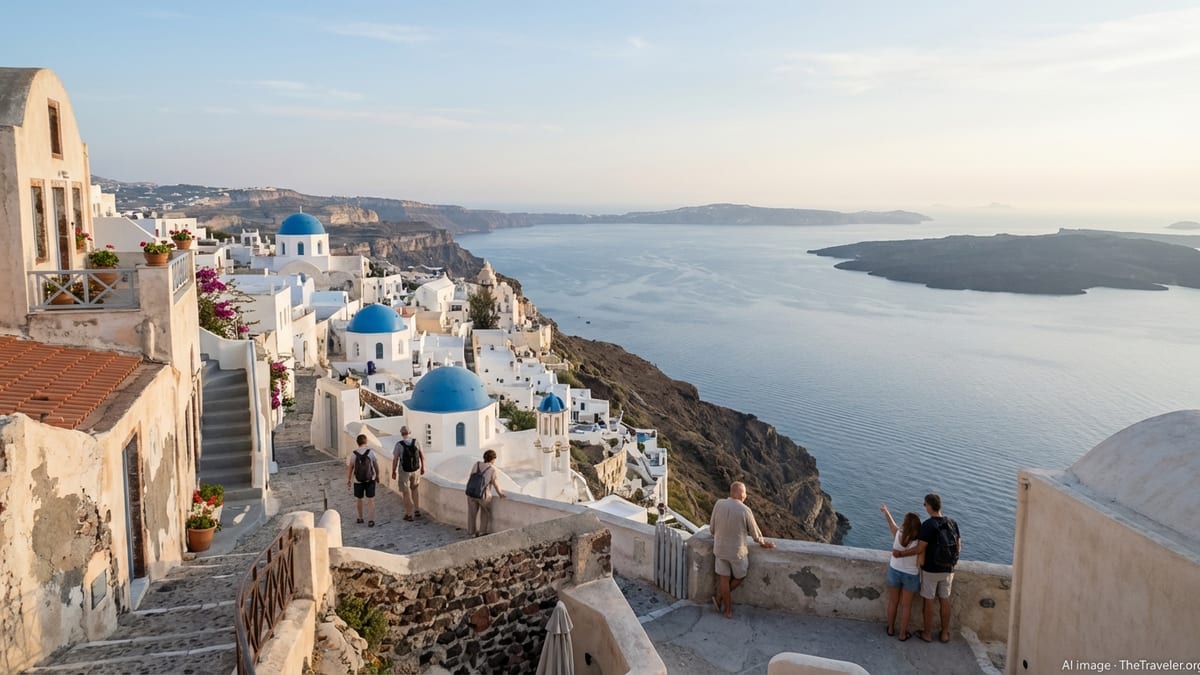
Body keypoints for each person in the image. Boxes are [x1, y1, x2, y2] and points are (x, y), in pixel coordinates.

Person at [709, 481, 775, 619]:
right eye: (745, 492)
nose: (746, 495)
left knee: (724, 579)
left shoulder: (718, 504)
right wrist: (763, 542)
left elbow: (712, 529)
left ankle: (727, 609)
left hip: (719, 549)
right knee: (740, 576)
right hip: (736, 552)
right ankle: (720, 597)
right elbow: (755, 534)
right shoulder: (745, 510)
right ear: (739, 494)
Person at [913, 493, 961, 643]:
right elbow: (959, 545)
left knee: (929, 601)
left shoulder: (928, 525)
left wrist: (901, 553)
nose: (924, 507)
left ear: (929, 506)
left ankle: (927, 634)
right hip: (948, 569)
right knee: (945, 600)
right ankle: (945, 633)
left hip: (931, 570)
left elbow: (920, 548)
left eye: (924, 504)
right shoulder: (952, 522)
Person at [880, 503, 922, 641]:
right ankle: (902, 634)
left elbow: (890, 523)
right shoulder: (919, 543)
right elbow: (921, 561)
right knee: (906, 606)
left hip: (894, 571)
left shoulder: (898, 534)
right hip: (910, 575)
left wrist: (886, 511)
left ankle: (891, 629)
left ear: (905, 523)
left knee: (893, 602)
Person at [466, 449, 506, 537]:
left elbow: (471, 476)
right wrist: (500, 494)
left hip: (471, 492)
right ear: (492, 459)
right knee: (484, 512)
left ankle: (472, 532)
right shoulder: (492, 470)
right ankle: (482, 531)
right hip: (483, 495)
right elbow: (495, 484)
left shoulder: (476, 464)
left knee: (472, 514)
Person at [391, 426, 426, 522]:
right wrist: (423, 467)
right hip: (416, 470)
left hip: (404, 471)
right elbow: (422, 456)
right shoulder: (416, 442)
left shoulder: (399, 445)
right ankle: (417, 510)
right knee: (415, 489)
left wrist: (393, 471)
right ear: (410, 432)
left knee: (405, 492)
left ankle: (409, 514)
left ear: (402, 434)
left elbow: (395, 459)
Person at [346, 434, 380, 527]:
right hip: (370, 479)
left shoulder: (353, 454)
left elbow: (350, 468)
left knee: (359, 499)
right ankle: (371, 520)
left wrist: (349, 479)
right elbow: (375, 465)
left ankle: (360, 518)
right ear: (366, 442)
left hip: (358, 480)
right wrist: (377, 476)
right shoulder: (371, 452)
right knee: (371, 499)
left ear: (357, 443)